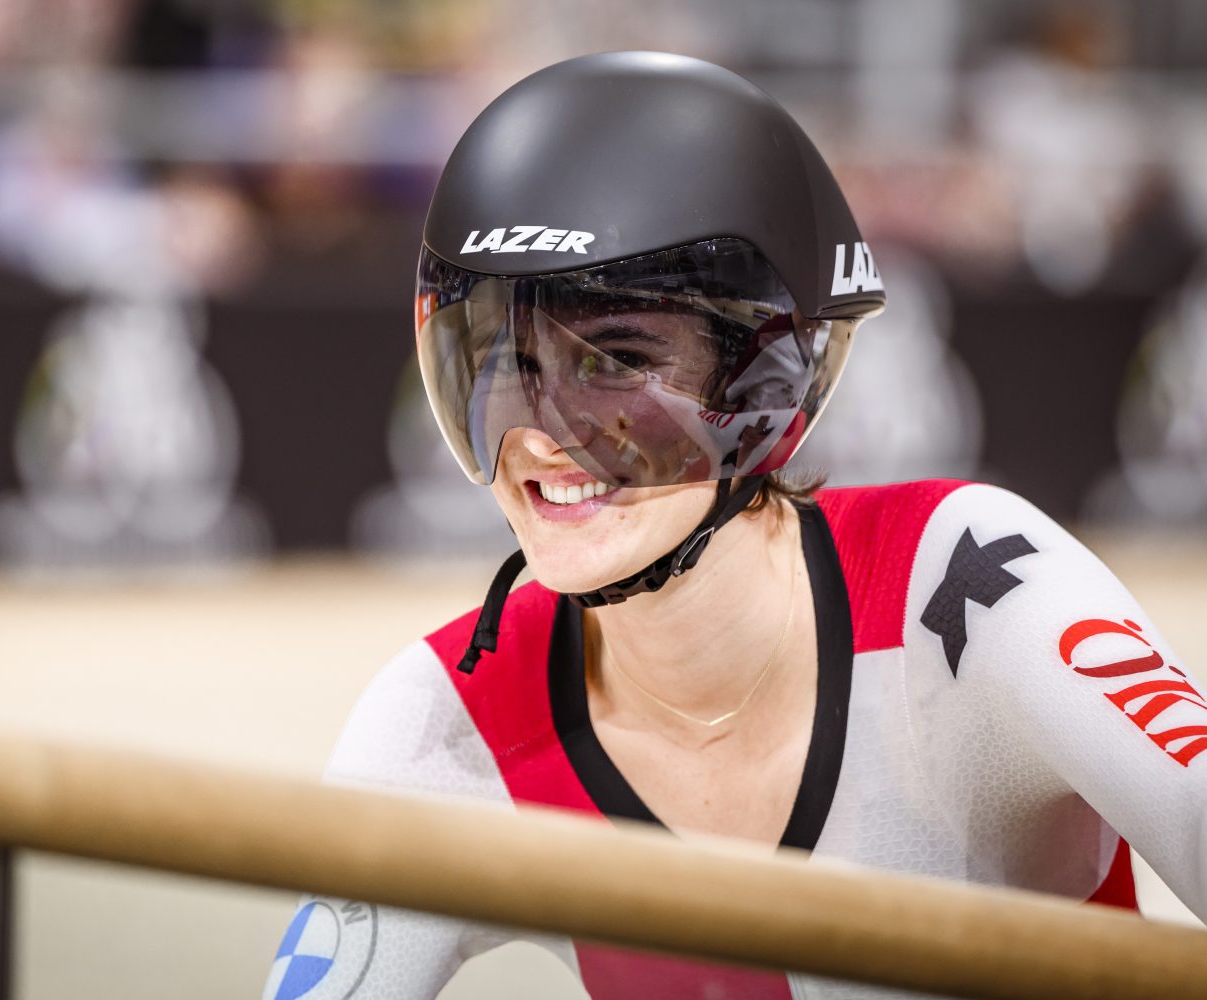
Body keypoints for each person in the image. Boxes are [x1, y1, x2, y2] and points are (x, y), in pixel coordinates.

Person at [263, 51, 1207, 1000]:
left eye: (616, 364)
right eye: (501, 366)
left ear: (768, 386)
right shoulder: (443, 719)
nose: (540, 440)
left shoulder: (971, 590)